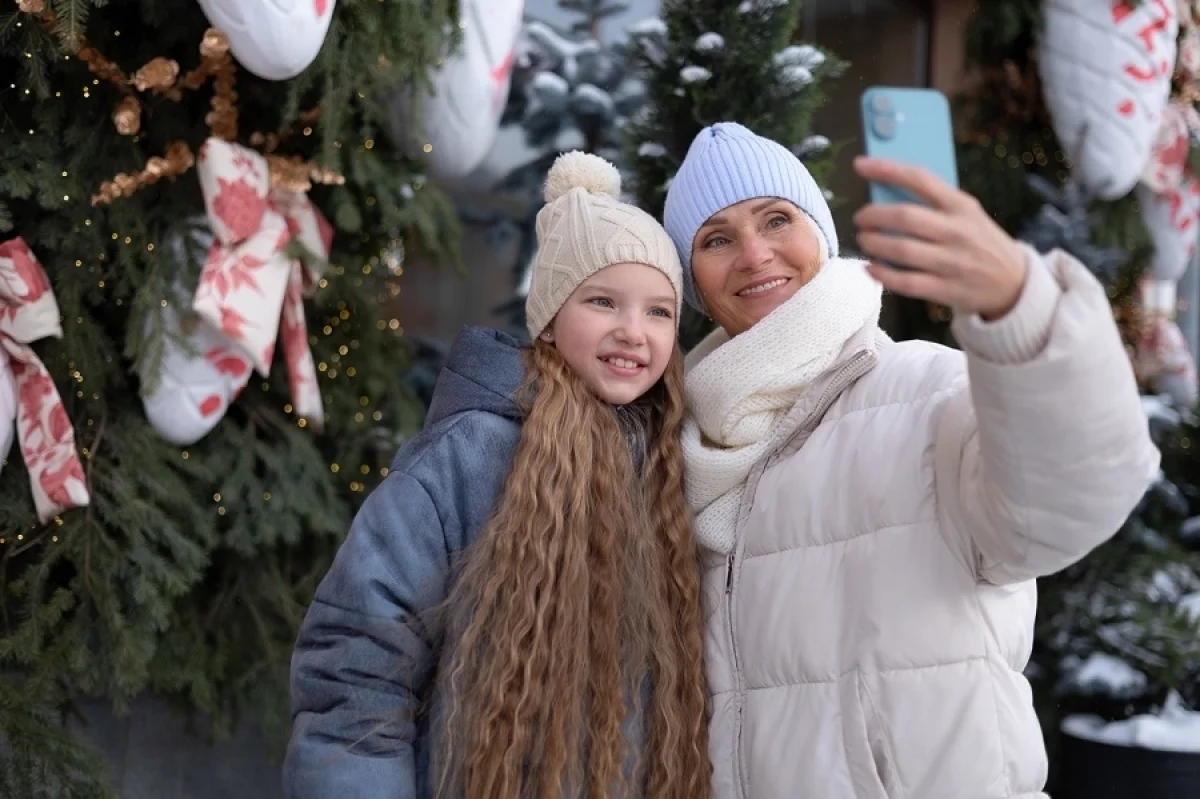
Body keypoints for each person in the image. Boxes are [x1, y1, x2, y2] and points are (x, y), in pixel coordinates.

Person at [661, 122, 1159, 799]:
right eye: (716, 239)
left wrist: (1022, 312)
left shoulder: (928, 392)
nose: (754, 253)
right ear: (694, 280)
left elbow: (1071, 497)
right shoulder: (686, 445)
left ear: (821, 235)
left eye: (776, 219)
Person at [284, 151, 711, 799]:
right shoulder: (470, 453)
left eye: (659, 311)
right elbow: (358, 660)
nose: (633, 331)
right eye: (602, 301)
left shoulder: (664, 466)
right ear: (550, 318)